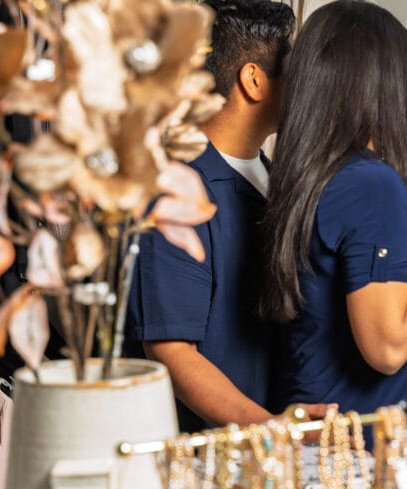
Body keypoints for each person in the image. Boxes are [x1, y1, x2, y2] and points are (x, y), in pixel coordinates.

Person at [261, 0, 407, 415]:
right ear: (376, 84)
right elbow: (389, 346)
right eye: (404, 73)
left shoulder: (314, 176)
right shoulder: (373, 184)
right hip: (362, 455)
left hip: (316, 437)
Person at [126, 0, 320, 432]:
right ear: (253, 80)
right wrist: (270, 427)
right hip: (212, 459)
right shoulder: (177, 191)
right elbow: (172, 353)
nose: (307, 87)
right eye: (295, 70)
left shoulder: (274, 179)